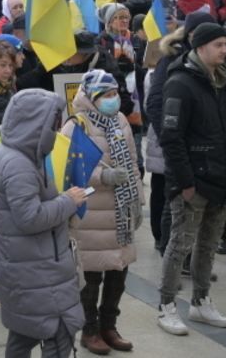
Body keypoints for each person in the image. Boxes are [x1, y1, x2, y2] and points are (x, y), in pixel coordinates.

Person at [157, 23, 226, 335]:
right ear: (200, 47)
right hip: (193, 180)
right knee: (180, 244)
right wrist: (185, 183)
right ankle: (166, 305)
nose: (225, 50)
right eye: (219, 45)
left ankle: (200, 301)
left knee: (208, 245)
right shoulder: (181, 82)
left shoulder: (222, 80)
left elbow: (216, 126)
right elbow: (172, 137)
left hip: (219, 177)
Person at [0, 89, 88, 357]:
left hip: (31, 266)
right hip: (35, 269)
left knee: (25, 333)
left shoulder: (21, 153)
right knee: (58, 333)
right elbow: (29, 217)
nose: (56, 130)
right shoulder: (19, 164)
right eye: (53, 123)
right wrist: (68, 201)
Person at [58, 71, 142, 355]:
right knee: (91, 274)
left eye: (114, 93)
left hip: (120, 209)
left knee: (119, 270)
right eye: (105, 95)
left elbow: (132, 162)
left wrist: (137, 199)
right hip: (91, 213)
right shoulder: (76, 124)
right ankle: (90, 329)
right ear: (92, 97)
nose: (112, 99)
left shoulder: (120, 121)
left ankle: (110, 325)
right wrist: (102, 178)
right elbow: (70, 168)